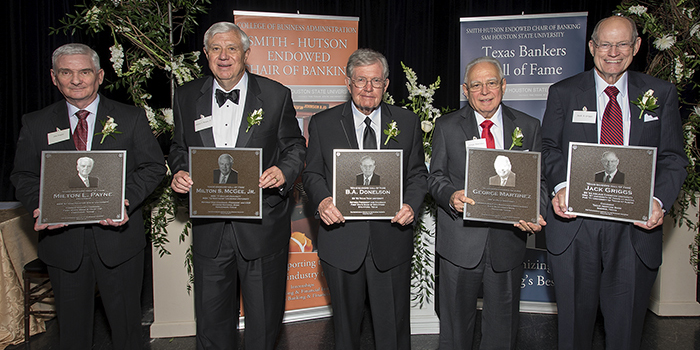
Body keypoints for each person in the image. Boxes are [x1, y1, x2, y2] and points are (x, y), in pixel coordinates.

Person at [541, 15, 687, 350]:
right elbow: (548, 148)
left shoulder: (660, 94)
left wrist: (659, 200)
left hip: (634, 230)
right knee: (574, 331)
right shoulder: (563, 92)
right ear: (592, 47)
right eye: (605, 44)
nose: (613, 52)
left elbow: (673, 158)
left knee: (626, 332)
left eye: (622, 43)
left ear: (636, 47)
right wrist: (562, 188)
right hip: (577, 227)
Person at [10, 43, 166, 350]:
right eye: (66, 72)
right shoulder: (36, 122)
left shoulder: (129, 117)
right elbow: (23, 176)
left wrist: (125, 199)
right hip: (63, 245)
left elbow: (153, 167)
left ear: (100, 76)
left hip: (119, 243)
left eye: (84, 72)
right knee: (72, 332)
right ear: (54, 77)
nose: (76, 80)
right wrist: (41, 205)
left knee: (127, 331)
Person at [168, 22, 306, 349]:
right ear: (205, 54)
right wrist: (180, 171)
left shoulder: (275, 95)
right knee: (211, 321)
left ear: (246, 53)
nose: (224, 56)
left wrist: (284, 172)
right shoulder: (187, 97)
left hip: (262, 227)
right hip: (210, 228)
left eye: (231, 48)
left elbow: (295, 146)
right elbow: (178, 147)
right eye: (216, 49)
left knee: (263, 321)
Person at [302, 48, 428, 350]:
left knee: (394, 331)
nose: (368, 89)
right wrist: (322, 202)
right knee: (345, 332)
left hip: (391, 240)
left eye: (375, 81)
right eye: (361, 81)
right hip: (342, 241)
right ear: (348, 84)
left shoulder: (408, 123)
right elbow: (312, 175)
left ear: (386, 84)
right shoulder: (323, 123)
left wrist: (410, 204)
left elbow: (418, 175)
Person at [428, 56, 547, 349]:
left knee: (503, 328)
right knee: (455, 329)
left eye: (491, 83)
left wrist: (536, 210)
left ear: (503, 86)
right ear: (465, 90)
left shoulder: (529, 126)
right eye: (476, 85)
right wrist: (450, 196)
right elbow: (435, 178)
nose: (485, 91)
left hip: (507, 243)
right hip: (460, 243)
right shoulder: (446, 126)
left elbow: (540, 181)